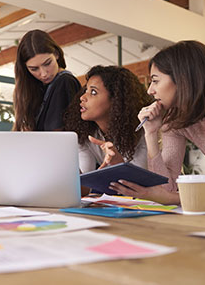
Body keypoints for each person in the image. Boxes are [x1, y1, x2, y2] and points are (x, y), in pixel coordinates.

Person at [109, 40, 205, 205]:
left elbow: (166, 196)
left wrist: (171, 199)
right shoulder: (175, 122)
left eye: (155, 80)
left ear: (182, 79)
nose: (150, 90)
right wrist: (151, 133)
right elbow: (165, 187)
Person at [64, 65, 152, 195]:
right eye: (85, 90)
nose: (82, 97)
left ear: (116, 99)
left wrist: (117, 162)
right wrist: (67, 162)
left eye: (93, 92)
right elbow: (84, 186)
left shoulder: (144, 131)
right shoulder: (86, 135)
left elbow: (136, 186)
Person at [12, 29, 81, 131]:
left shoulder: (65, 82)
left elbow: (57, 136)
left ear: (56, 54)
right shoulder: (38, 88)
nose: (44, 74)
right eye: (34, 69)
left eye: (47, 63)